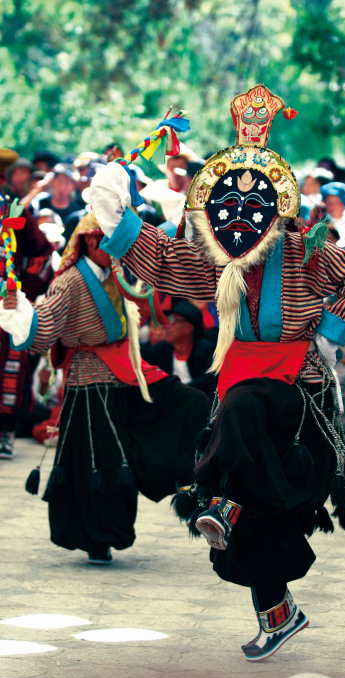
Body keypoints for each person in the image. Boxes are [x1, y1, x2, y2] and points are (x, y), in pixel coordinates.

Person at [90, 84, 345, 660]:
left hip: (298, 393)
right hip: (246, 400)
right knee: (253, 519)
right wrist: (116, 218)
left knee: (244, 407)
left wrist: (329, 334)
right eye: (228, 208)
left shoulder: (307, 248)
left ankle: (212, 494)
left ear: (277, 209)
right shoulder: (216, 261)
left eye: (254, 206)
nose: (240, 218)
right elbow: (164, 262)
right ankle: (279, 613)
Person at [0, 212, 209, 562]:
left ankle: (182, 476)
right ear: (92, 242)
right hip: (89, 378)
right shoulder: (68, 282)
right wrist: (19, 312)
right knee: (104, 460)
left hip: (125, 369)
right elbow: (45, 327)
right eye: (107, 239)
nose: (115, 247)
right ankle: (98, 536)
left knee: (187, 402)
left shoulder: (115, 273)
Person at [0, 190, 53, 458]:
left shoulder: (12, 209)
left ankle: (5, 432)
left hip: (6, 304)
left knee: (8, 368)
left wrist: (21, 292)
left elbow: (43, 255)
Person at [142, 299, 217, 398]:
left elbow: (211, 381)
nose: (166, 325)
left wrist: (179, 391)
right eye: (167, 320)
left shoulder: (207, 351)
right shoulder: (159, 350)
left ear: (189, 327)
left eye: (173, 320)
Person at [320, 181, 345, 246]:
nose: (332, 205)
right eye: (328, 201)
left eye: (336, 201)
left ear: (344, 204)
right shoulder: (320, 223)